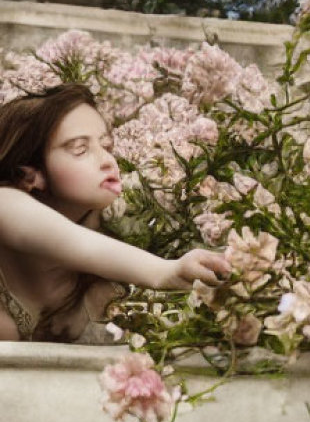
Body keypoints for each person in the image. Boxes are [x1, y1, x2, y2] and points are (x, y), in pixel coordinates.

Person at [0, 84, 230, 343]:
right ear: (29, 174)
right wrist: (166, 271)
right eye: (80, 149)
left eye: (107, 145)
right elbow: (75, 242)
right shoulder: (5, 203)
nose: (107, 160)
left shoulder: (106, 282)